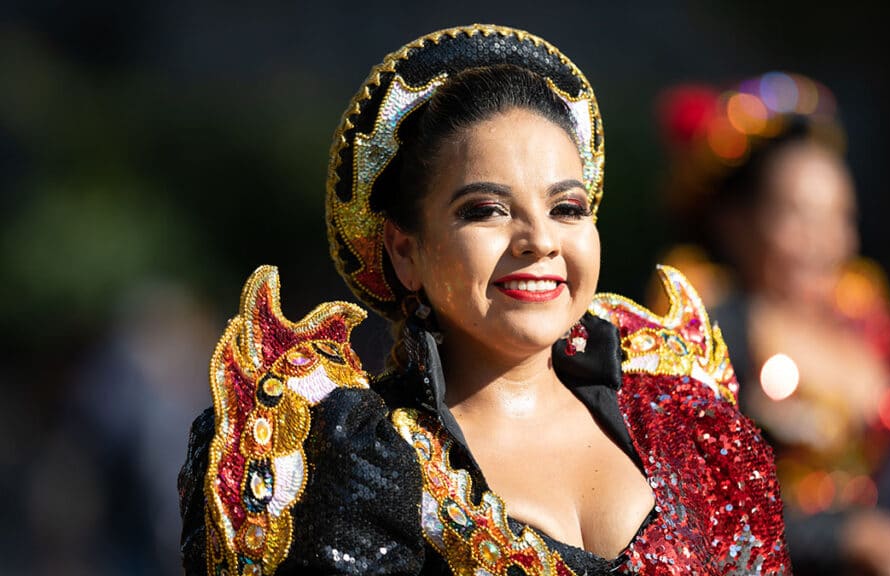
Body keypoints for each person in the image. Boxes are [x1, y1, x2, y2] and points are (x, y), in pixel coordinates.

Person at [178, 25, 791, 576]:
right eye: (486, 211)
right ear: (405, 252)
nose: (539, 241)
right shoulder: (358, 465)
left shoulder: (688, 423)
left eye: (567, 209)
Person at [651, 74, 890, 576]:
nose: (824, 241)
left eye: (839, 216)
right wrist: (844, 539)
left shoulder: (864, 328)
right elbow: (694, 504)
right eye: (797, 215)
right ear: (732, 220)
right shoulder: (711, 337)